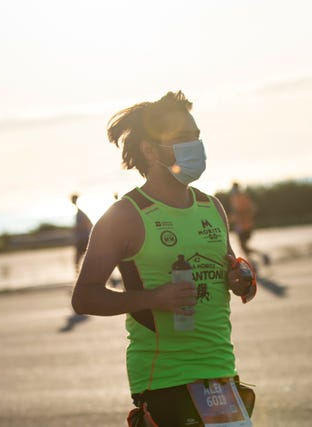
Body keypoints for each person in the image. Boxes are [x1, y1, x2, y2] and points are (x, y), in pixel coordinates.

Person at [71, 91, 256, 426]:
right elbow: (84, 297)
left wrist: (240, 276)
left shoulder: (210, 207)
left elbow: (230, 268)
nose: (195, 147)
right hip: (165, 377)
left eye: (197, 137)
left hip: (221, 369)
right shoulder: (125, 215)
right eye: (182, 138)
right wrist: (155, 298)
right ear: (150, 149)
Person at [229, 181, 270, 268]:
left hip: (242, 227)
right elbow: (253, 208)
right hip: (247, 226)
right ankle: (259, 258)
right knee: (244, 247)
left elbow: (238, 212)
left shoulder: (237, 198)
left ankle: (254, 263)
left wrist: (230, 220)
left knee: (243, 246)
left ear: (235, 188)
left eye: (233, 188)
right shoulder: (244, 197)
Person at [70, 193, 93, 271]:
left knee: (79, 258)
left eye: (73, 199)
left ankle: (79, 275)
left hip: (83, 239)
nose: (72, 201)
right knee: (81, 258)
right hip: (83, 238)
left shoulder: (80, 213)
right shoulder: (79, 212)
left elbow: (88, 223)